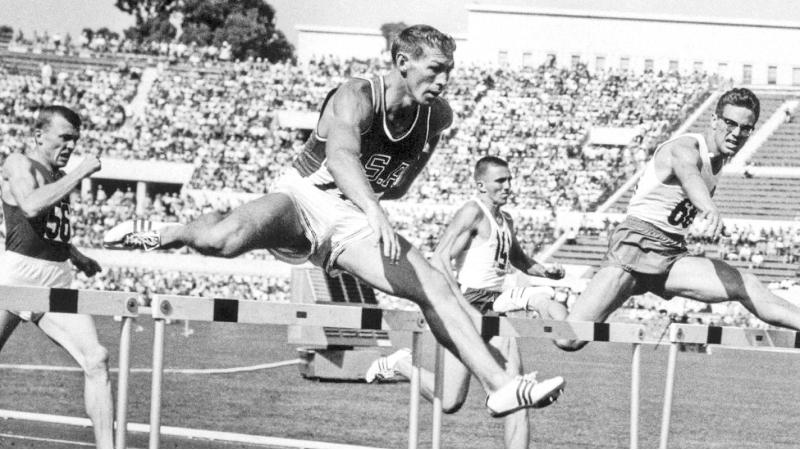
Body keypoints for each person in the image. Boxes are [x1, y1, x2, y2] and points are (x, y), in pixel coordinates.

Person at [104, 25, 562, 416]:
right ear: (403, 61)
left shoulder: (436, 116)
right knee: (222, 239)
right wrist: (373, 206)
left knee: (432, 287)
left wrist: (372, 203)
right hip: (305, 195)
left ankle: (501, 386)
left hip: (347, 220)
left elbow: (400, 183)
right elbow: (341, 156)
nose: (444, 80)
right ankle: (164, 232)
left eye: (449, 70)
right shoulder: (358, 93)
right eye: (434, 69)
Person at [556, 88, 800, 351]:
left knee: (744, 283)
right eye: (730, 123)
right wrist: (709, 208)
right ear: (715, 120)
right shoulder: (685, 147)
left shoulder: (719, 162)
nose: (736, 133)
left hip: (671, 255)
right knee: (569, 339)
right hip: (636, 246)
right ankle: (538, 299)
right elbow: (689, 175)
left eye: (745, 128)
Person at [364, 156, 567, 448]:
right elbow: (440, 257)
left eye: (510, 179)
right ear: (481, 184)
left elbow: (519, 259)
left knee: (516, 390)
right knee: (449, 401)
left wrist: (545, 270)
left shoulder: (506, 220)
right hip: (468, 303)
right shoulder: (473, 211)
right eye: (501, 180)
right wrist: (460, 303)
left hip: (495, 307)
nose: (508, 186)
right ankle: (402, 364)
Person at [0, 105, 112, 448]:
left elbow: (44, 227)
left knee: (96, 358)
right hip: (17, 276)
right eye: (64, 137)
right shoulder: (19, 163)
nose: (71, 146)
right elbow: (31, 206)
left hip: (57, 277)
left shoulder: (55, 175)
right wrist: (79, 172)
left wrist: (75, 254)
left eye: (75, 140)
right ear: (39, 135)